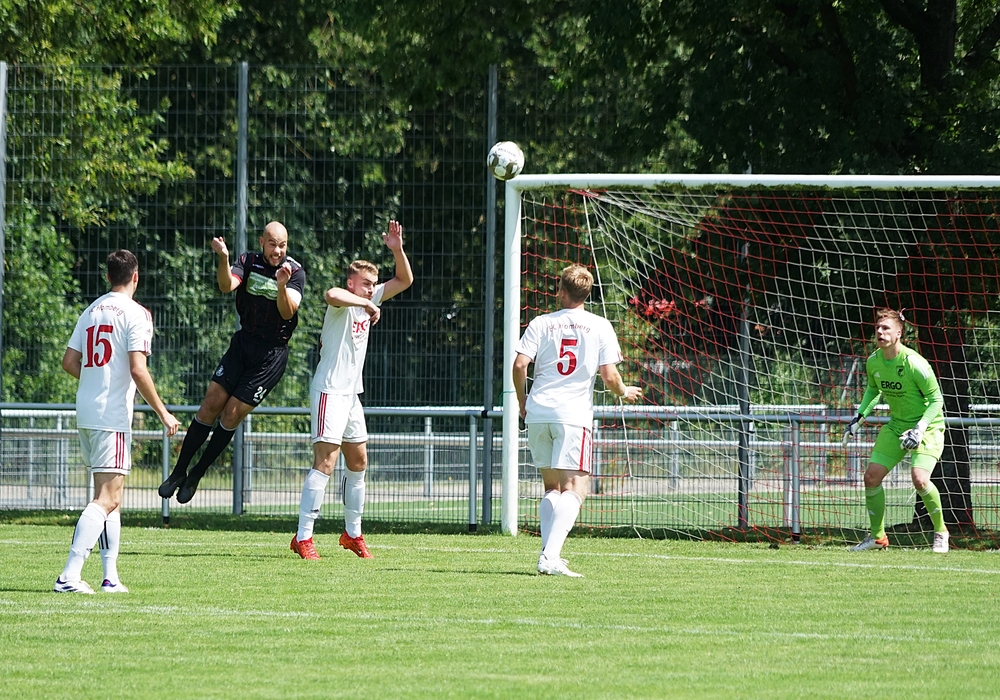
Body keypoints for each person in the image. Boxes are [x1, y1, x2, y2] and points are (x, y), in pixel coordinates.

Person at [55, 250, 181, 594]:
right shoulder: (137, 313)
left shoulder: (91, 310)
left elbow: (69, 362)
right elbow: (138, 369)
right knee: (107, 498)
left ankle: (110, 577)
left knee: (111, 498)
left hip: (87, 412)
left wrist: (97, 379)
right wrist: (163, 412)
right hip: (112, 415)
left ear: (108, 276)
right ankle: (68, 575)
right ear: (136, 276)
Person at [290, 220, 413, 560]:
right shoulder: (341, 302)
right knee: (326, 462)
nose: (371, 289)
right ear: (352, 283)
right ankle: (303, 537)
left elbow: (404, 280)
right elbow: (331, 294)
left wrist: (397, 249)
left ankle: (352, 534)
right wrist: (367, 304)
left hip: (351, 395)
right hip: (329, 391)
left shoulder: (369, 298)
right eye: (366, 284)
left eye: (374, 284)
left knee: (358, 461)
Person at [158, 222, 305, 503]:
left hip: (270, 356)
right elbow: (227, 286)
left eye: (283, 245)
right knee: (210, 404)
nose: (278, 251)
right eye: (272, 244)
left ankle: (197, 473)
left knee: (231, 414)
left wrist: (282, 286)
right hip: (243, 344)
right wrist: (224, 258)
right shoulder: (247, 261)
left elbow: (287, 313)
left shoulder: (295, 272)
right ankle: (178, 471)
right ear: (262, 242)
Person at [513, 265, 641, 577]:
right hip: (572, 415)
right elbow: (609, 376)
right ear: (587, 293)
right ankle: (550, 557)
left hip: (538, 411)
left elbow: (519, 365)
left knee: (552, 487)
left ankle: (548, 553)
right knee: (575, 488)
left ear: (561, 291)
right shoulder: (599, 325)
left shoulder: (541, 322)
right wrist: (624, 391)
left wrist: (522, 401)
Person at [843, 308, 949, 553]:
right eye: (878, 328)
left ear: (899, 333)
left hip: (928, 426)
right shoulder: (874, 361)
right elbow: (873, 390)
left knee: (920, 479)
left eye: (886, 328)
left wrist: (920, 429)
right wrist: (858, 420)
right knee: (871, 477)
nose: (880, 332)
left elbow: (936, 400)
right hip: (897, 426)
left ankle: (941, 532)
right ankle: (878, 538)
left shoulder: (914, 363)